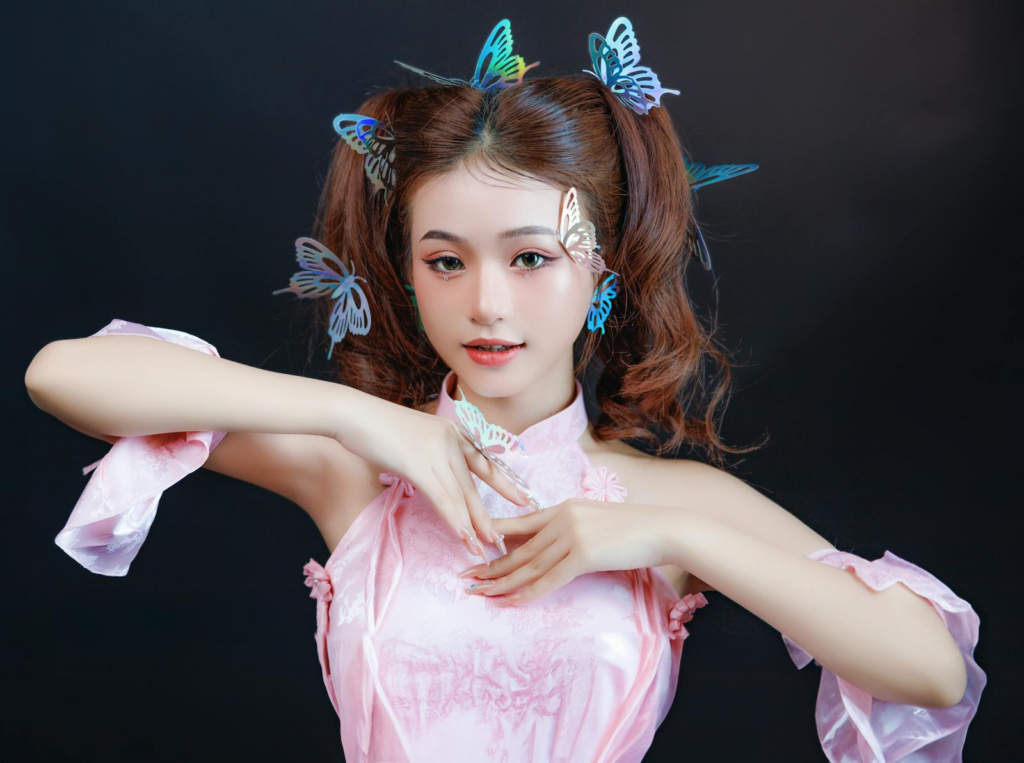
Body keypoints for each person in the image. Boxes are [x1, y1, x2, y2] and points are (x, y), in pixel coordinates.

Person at [25, 17, 985, 762]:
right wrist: (355, 415)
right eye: (446, 262)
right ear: (406, 273)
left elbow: (934, 670)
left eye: (531, 257)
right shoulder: (359, 478)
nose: (487, 303)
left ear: (603, 275)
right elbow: (62, 374)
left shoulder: (674, 506)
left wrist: (675, 536)